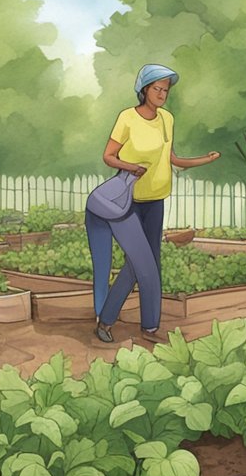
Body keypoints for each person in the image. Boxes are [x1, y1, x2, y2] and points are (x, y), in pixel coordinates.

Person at [92, 64, 220, 344]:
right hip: (127, 202)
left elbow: (171, 158)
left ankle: (150, 326)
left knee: (151, 263)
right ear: (144, 90)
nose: (162, 94)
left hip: (156, 200)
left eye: (166, 89)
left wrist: (204, 160)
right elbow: (109, 156)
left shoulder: (167, 119)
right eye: (157, 88)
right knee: (140, 264)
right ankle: (106, 320)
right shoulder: (127, 118)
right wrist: (131, 167)